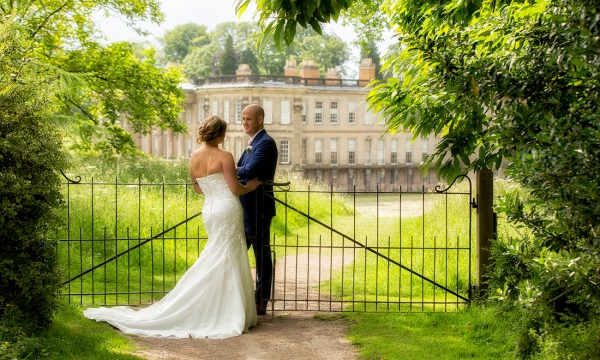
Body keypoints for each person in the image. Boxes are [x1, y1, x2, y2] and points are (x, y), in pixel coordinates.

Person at [84, 116, 260, 339]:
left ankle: (215, 304)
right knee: (227, 253)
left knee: (218, 252)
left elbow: (197, 189)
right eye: (223, 133)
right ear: (218, 134)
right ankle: (226, 309)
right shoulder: (225, 156)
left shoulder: (194, 157)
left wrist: (215, 190)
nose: (224, 137)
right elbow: (235, 188)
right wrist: (251, 187)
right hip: (227, 207)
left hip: (210, 209)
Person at [236, 104, 278, 315]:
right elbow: (241, 166)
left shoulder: (266, 143)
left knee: (262, 253)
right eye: (243, 119)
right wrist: (237, 170)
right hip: (245, 207)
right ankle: (236, 296)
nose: (244, 122)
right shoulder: (252, 143)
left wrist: (234, 170)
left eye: (248, 119)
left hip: (259, 206)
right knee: (236, 251)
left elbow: (250, 169)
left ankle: (261, 300)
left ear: (260, 119)